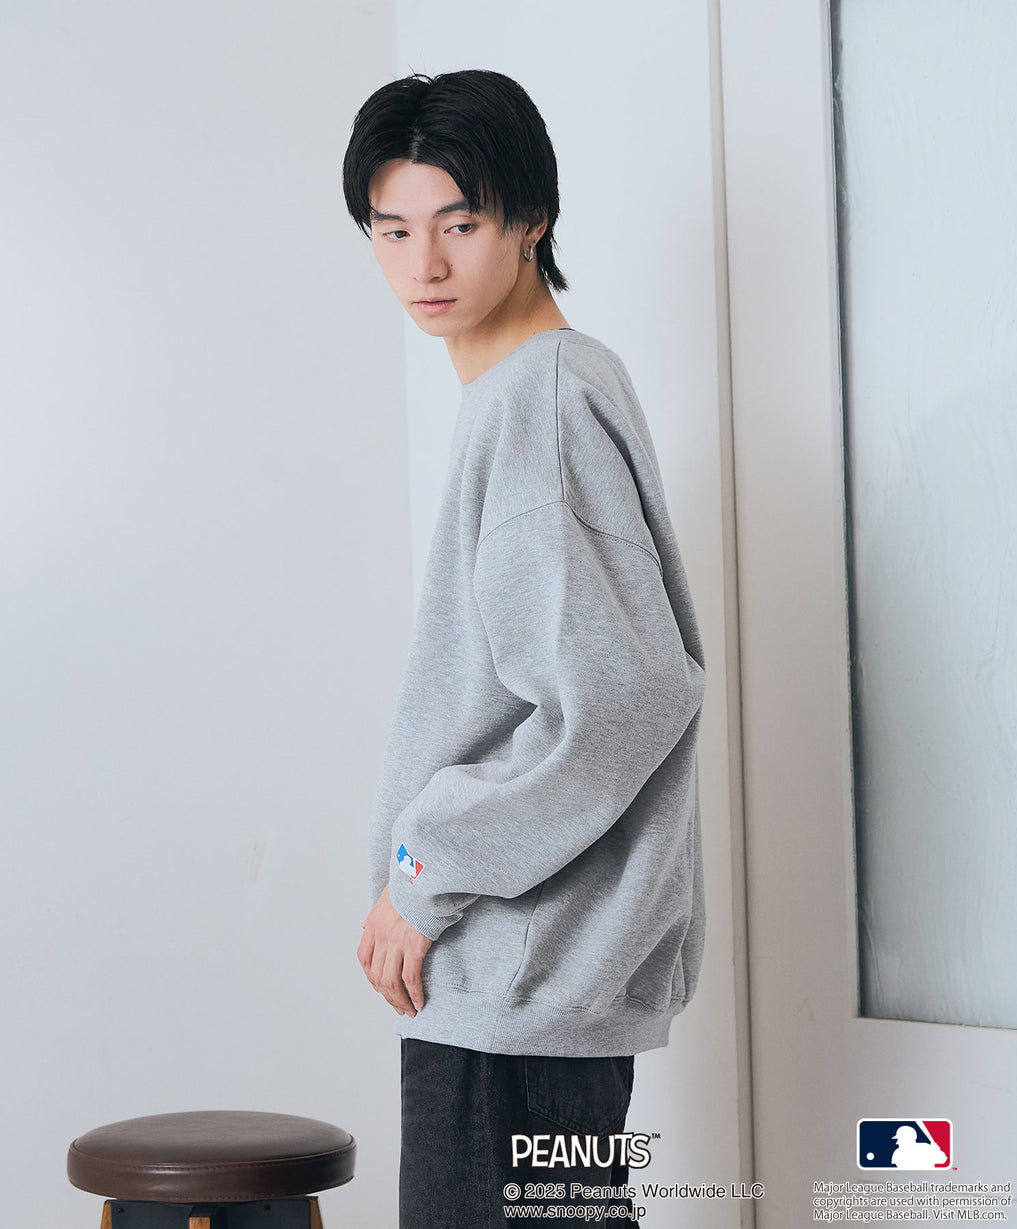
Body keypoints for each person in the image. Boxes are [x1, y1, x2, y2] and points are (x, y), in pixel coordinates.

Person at [343, 69, 706, 1228]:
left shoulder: (538, 406)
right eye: (392, 229)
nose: (424, 264)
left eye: (459, 224)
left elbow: (616, 698)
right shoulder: (542, 387)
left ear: (530, 219)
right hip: (522, 976)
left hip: (519, 977)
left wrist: (425, 872)